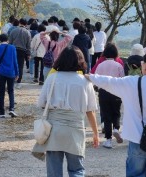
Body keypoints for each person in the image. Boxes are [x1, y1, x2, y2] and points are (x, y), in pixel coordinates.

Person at [87, 50, 146, 177]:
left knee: (134, 174)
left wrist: (90, 77)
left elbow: (109, 81)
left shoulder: (131, 82)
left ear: (144, 66)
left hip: (136, 139)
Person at [32, 46, 99, 177]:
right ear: (80, 60)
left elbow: (41, 103)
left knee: (54, 172)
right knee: (77, 170)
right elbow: (90, 110)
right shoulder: (85, 82)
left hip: (54, 130)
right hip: (75, 129)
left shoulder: (52, 78)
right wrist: (95, 133)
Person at [94, 43, 125, 148]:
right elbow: (122, 79)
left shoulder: (101, 65)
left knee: (106, 116)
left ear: (105, 53)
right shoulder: (119, 65)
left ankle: (108, 140)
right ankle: (116, 129)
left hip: (104, 92)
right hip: (116, 92)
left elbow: (96, 79)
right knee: (116, 113)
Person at [0, 34, 18, 118]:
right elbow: (15, 62)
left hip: (2, 72)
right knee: (11, 91)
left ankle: (2, 111)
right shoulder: (12, 48)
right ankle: (11, 109)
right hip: (11, 72)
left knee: (1, 92)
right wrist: (17, 73)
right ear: (7, 40)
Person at [9, 19, 31, 89]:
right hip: (22, 51)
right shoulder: (27, 33)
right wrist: (28, 54)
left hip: (13, 49)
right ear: (26, 24)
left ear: (19, 23)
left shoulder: (13, 31)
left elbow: (10, 42)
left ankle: (11, 81)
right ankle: (18, 82)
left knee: (12, 65)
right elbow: (28, 45)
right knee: (20, 66)